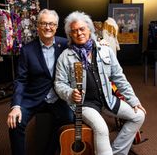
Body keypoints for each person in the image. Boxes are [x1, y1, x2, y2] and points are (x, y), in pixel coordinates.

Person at [54, 11, 146, 155]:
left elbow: (119, 78)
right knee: (102, 129)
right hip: (84, 104)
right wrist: (70, 93)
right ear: (70, 35)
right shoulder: (65, 57)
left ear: (89, 29)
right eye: (74, 31)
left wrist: (133, 100)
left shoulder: (105, 51)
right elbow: (59, 84)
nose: (79, 33)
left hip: (107, 99)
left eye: (82, 29)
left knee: (139, 115)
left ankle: (117, 152)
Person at [7, 9, 74, 155]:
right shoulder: (27, 50)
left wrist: (100, 43)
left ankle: (49, 152)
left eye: (51, 24)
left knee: (69, 119)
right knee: (15, 123)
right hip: (34, 97)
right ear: (37, 26)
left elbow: (84, 41)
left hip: (58, 97)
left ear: (56, 26)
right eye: (43, 23)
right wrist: (16, 106)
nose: (47, 27)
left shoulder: (65, 44)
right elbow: (21, 80)